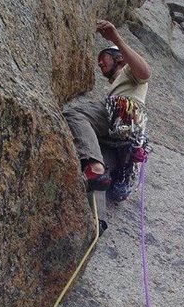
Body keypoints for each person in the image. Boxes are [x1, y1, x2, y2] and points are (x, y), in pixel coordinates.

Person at [64, 20, 151, 205]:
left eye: (104, 57)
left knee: (74, 115)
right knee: (100, 176)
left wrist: (115, 38)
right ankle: (99, 223)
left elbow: (144, 72)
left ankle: (95, 167)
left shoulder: (128, 72)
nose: (99, 63)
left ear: (119, 58)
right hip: (122, 140)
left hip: (123, 113)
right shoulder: (119, 84)